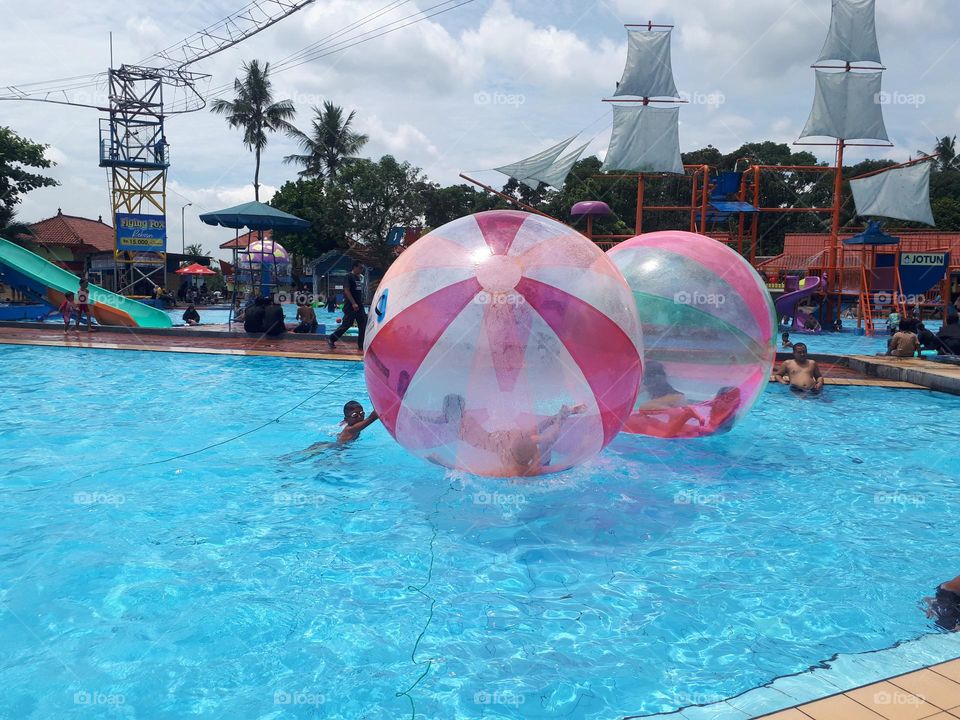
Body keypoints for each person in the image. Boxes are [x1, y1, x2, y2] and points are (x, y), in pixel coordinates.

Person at [422, 394, 586, 476]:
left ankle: (563, 415)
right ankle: (564, 414)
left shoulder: (507, 470)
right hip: (524, 449)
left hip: (495, 442)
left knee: (545, 437)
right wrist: (580, 454)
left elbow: (473, 472)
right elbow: (567, 464)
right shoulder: (537, 468)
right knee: (546, 437)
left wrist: (442, 463)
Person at [327, 261, 367, 350]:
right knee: (347, 324)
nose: (361, 270)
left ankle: (361, 345)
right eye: (360, 268)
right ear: (354, 267)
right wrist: (353, 303)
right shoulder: (348, 277)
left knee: (363, 324)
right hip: (351, 305)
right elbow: (347, 290)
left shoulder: (358, 278)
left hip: (359, 305)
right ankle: (332, 338)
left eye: (362, 268)